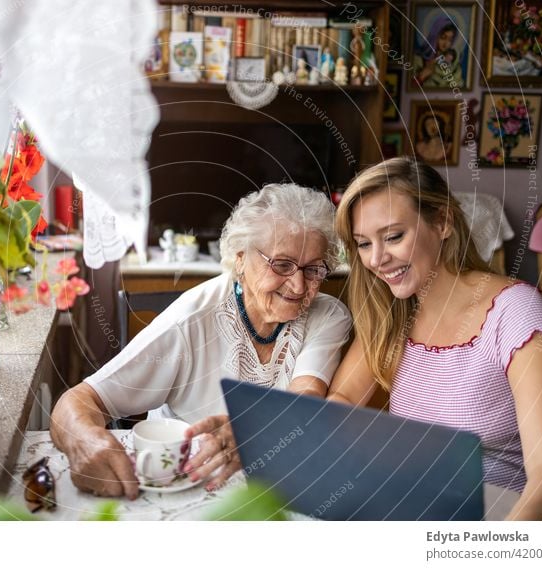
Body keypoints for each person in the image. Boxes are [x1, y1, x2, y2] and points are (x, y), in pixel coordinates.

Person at [51, 184, 352, 498]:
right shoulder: (189, 321)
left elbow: (305, 397)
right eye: (282, 264)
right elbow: (77, 402)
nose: (299, 285)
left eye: (314, 269)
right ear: (240, 258)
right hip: (189, 491)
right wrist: (84, 444)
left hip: (272, 491)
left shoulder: (327, 316)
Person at [330, 156, 542, 520]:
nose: (376, 259)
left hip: (515, 518)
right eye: (363, 244)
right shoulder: (392, 315)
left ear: (443, 221)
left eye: (393, 237)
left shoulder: (515, 311)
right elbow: (341, 400)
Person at [413, 15, 463, 88]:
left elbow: (458, 84)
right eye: (443, 38)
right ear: (434, 36)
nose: (446, 44)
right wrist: (422, 76)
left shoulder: (451, 59)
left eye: (450, 40)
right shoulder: (418, 59)